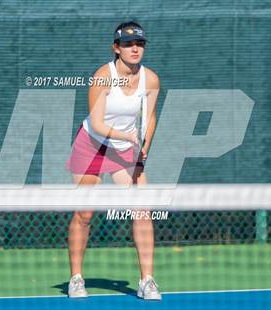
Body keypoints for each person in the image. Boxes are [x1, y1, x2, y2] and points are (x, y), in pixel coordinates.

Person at [65, 21, 161, 300]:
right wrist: (127, 136)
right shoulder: (102, 77)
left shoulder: (151, 79)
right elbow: (96, 123)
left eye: (140, 44)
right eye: (129, 44)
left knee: (143, 210)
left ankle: (147, 280)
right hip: (92, 145)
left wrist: (145, 145)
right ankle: (76, 279)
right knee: (84, 214)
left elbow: (150, 117)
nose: (135, 49)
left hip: (125, 148)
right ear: (116, 48)